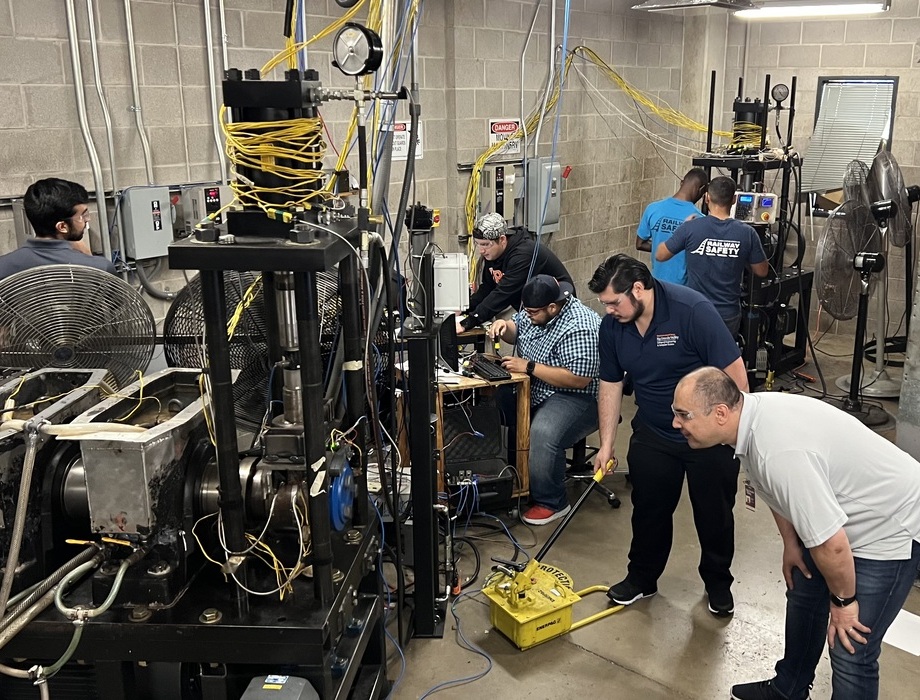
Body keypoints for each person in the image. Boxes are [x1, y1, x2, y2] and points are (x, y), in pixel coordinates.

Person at [672, 367, 920, 700]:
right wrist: (791, 543)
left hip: (889, 525)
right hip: (838, 517)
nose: (676, 424)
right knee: (805, 600)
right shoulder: (750, 421)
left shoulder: (778, 449)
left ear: (719, 413)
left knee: (851, 645)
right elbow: (777, 490)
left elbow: (832, 546)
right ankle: (788, 688)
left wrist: (844, 603)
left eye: (683, 415)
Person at [587, 254, 748, 617]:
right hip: (657, 431)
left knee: (715, 514)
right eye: (605, 304)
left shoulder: (692, 311)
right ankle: (642, 578)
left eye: (614, 301)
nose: (609, 310)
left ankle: (718, 583)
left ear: (639, 289)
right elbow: (611, 385)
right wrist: (607, 445)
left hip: (707, 437)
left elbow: (736, 378)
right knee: (648, 510)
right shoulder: (613, 327)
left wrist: (737, 438)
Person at [489, 274, 600, 526]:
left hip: (577, 396)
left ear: (553, 307)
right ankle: (512, 477)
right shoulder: (536, 312)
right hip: (537, 386)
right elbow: (517, 330)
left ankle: (552, 501)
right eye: (525, 311)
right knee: (492, 405)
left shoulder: (580, 326)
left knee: (543, 432)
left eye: (533, 312)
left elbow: (578, 379)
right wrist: (504, 326)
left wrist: (528, 366)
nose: (528, 316)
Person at [656, 176, 769, 336]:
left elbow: (660, 255)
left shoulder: (690, 228)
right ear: (734, 199)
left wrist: (681, 231)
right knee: (723, 359)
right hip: (727, 315)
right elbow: (762, 271)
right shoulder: (746, 233)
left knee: (694, 358)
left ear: (707, 197)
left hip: (696, 311)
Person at [458, 213, 573, 334]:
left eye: (486, 244)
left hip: (556, 310)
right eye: (478, 244)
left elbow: (503, 293)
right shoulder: (494, 254)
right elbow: (488, 287)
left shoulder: (522, 255)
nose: (481, 250)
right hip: (533, 310)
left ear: (502, 239)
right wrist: (464, 308)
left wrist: (469, 322)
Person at [0, 178, 116, 281]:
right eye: (83, 216)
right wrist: (89, 258)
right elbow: (121, 305)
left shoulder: (3, 267)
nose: (87, 220)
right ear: (62, 227)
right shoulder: (100, 268)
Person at [635, 168, 709, 285]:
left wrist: (664, 247)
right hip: (683, 290)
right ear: (702, 190)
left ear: (681, 182)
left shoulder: (653, 208)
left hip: (657, 286)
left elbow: (639, 244)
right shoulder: (699, 219)